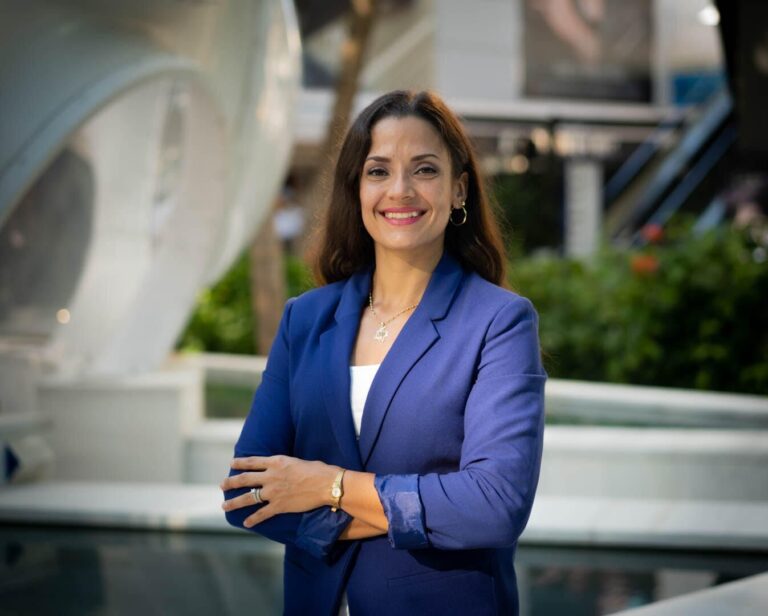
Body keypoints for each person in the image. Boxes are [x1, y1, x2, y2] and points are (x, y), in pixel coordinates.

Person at [220, 90, 547, 616]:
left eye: (424, 170)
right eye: (378, 171)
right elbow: (246, 494)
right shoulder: (305, 319)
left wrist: (326, 487)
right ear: (356, 188)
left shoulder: (499, 321)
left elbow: (494, 506)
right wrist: (421, 511)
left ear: (458, 190)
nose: (400, 190)